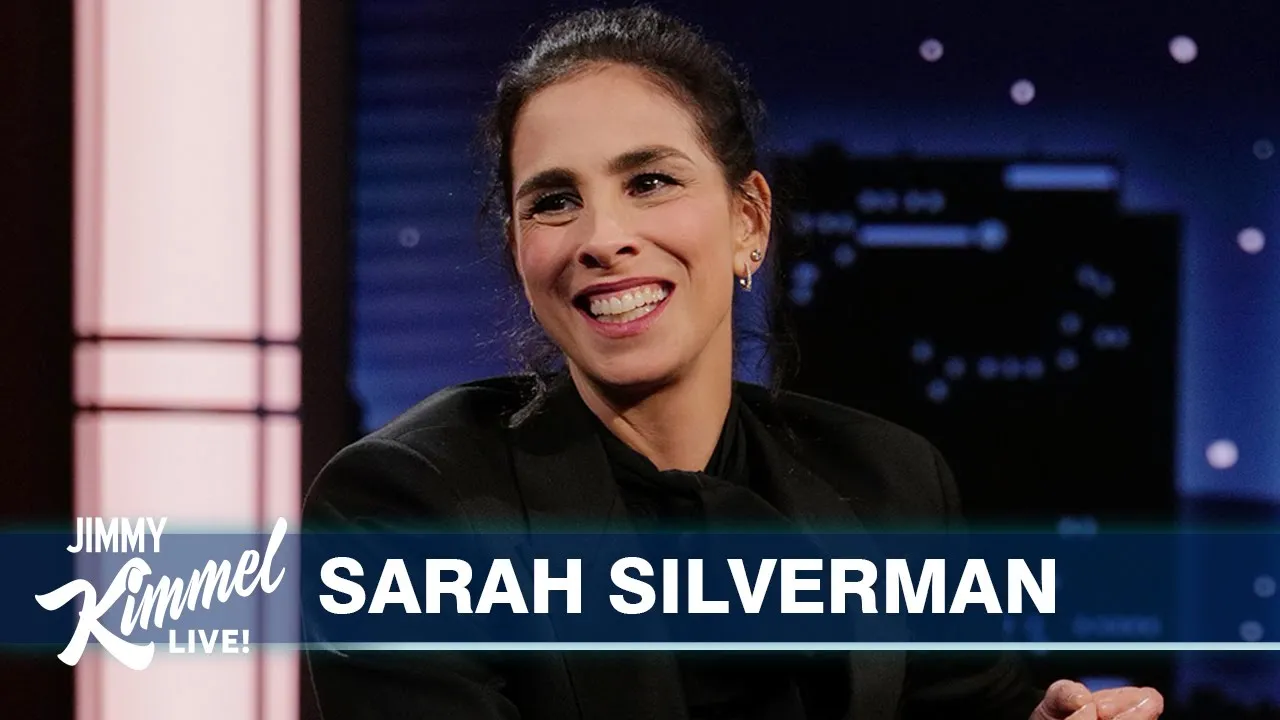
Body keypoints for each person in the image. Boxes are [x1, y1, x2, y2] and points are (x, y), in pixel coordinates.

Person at [304, 6, 1165, 719]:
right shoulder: (405, 509)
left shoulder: (888, 482)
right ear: (519, 251)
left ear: (749, 220)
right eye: (555, 201)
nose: (603, 238)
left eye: (650, 182)